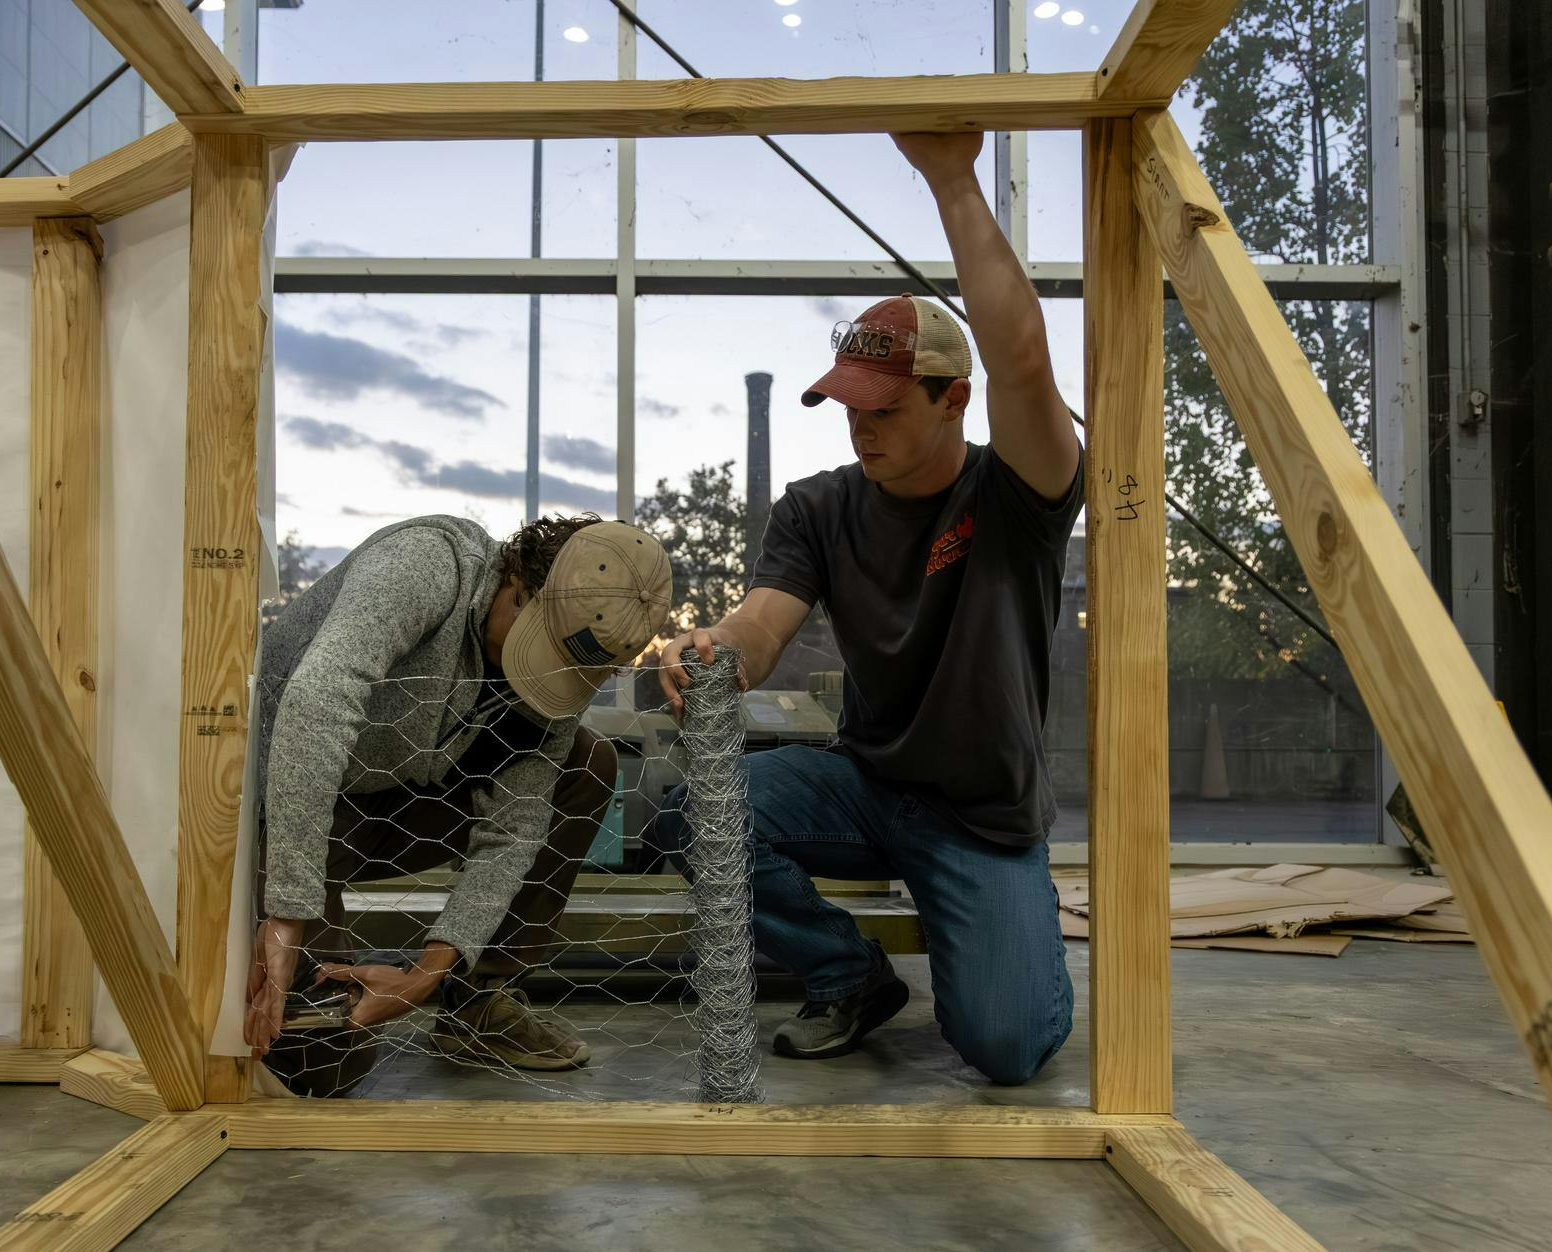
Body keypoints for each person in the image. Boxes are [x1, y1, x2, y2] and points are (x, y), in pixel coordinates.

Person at [658, 131, 1084, 1085]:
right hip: (867, 783)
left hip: (981, 815)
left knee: (1008, 1047)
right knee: (692, 809)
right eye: (850, 404)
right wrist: (710, 646)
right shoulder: (819, 505)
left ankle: (1008, 932)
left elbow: (1024, 359)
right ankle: (849, 972)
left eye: (885, 408)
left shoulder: (1016, 496)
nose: (860, 425)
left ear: (955, 401)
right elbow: (761, 625)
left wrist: (950, 176)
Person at [248, 512, 672, 1096]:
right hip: (285, 812)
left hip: (405, 806)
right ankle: (286, 928)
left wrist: (426, 974)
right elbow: (319, 704)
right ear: (518, 576)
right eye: (537, 649)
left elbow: (513, 831)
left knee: (586, 761)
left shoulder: (565, 675)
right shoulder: (426, 564)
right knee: (321, 1065)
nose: (538, 680)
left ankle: (477, 1004)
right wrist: (286, 917)